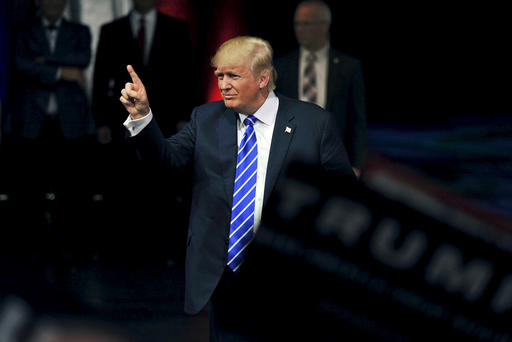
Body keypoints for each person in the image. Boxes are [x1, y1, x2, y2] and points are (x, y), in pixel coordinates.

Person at [120, 36, 356, 341]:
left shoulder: (314, 123)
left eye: (234, 75)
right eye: (220, 75)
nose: (223, 84)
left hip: (287, 274)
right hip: (225, 272)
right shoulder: (205, 118)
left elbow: (346, 197)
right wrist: (142, 118)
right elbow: (166, 160)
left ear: (263, 78)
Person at [91, 0, 196, 264]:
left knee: (163, 184)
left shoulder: (177, 29)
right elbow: (100, 78)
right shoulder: (111, 30)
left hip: (168, 120)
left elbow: (187, 76)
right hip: (122, 119)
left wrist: (185, 117)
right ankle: (125, 250)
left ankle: (163, 249)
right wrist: (101, 121)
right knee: (125, 183)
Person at [2, 0, 96, 265]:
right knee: (30, 191)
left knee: (70, 191)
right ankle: (33, 250)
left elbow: (82, 59)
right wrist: (61, 71)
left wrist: (42, 63)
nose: (53, 3)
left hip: (69, 123)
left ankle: (67, 251)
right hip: (32, 122)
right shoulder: (23, 30)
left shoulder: (80, 30)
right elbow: (21, 64)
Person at [274, 0, 367, 178]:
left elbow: (357, 122)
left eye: (307, 24)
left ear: (325, 25)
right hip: (290, 161)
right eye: (297, 24)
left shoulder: (349, 67)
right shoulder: (280, 67)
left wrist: (356, 165)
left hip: (334, 160)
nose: (300, 29)